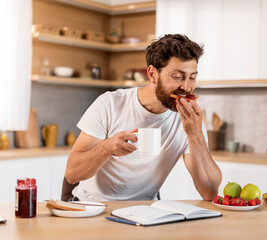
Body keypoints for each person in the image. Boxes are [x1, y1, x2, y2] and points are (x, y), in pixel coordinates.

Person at [65, 34, 222, 201]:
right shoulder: (110, 103)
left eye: (192, 77)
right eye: (177, 77)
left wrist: (195, 134)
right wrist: (107, 148)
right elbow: (72, 174)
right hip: (93, 206)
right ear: (152, 74)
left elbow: (209, 192)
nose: (187, 87)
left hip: (145, 213)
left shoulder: (190, 120)